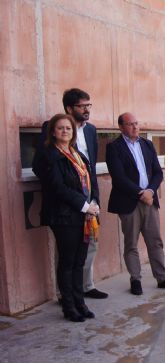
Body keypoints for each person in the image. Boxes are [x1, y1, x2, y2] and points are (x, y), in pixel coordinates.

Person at [33, 88, 107, 299]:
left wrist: (94, 200)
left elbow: (90, 168)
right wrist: (70, 194)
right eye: (82, 106)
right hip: (65, 207)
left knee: (89, 245)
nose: (87, 109)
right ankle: (66, 296)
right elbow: (41, 166)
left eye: (88, 105)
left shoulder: (91, 130)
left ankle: (86, 286)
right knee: (67, 254)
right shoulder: (51, 129)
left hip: (88, 200)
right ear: (69, 108)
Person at [106, 113, 165, 295]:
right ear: (121, 127)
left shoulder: (147, 144)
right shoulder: (114, 147)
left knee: (155, 241)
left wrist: (150, 191)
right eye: (130, 124)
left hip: (149, 200)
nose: (135, 127)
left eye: (137, 123)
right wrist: (140, 193)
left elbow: (157, 172)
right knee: (131, 243)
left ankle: (162, 277)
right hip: (129, 201)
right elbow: (119, 177)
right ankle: (135, 279)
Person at [36, 114, 100, 321]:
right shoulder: (49, 155)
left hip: (84, 215)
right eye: (61, 128)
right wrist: (84, 206)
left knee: (79, 262)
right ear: (53, 132)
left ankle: (81, 303)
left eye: (69, 128)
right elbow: (57, 187)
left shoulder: (77, 153)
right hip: (64, 216)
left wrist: (94, 203)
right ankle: (69, 307)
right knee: (68, 262)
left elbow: (89, 181)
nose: (65, 131)